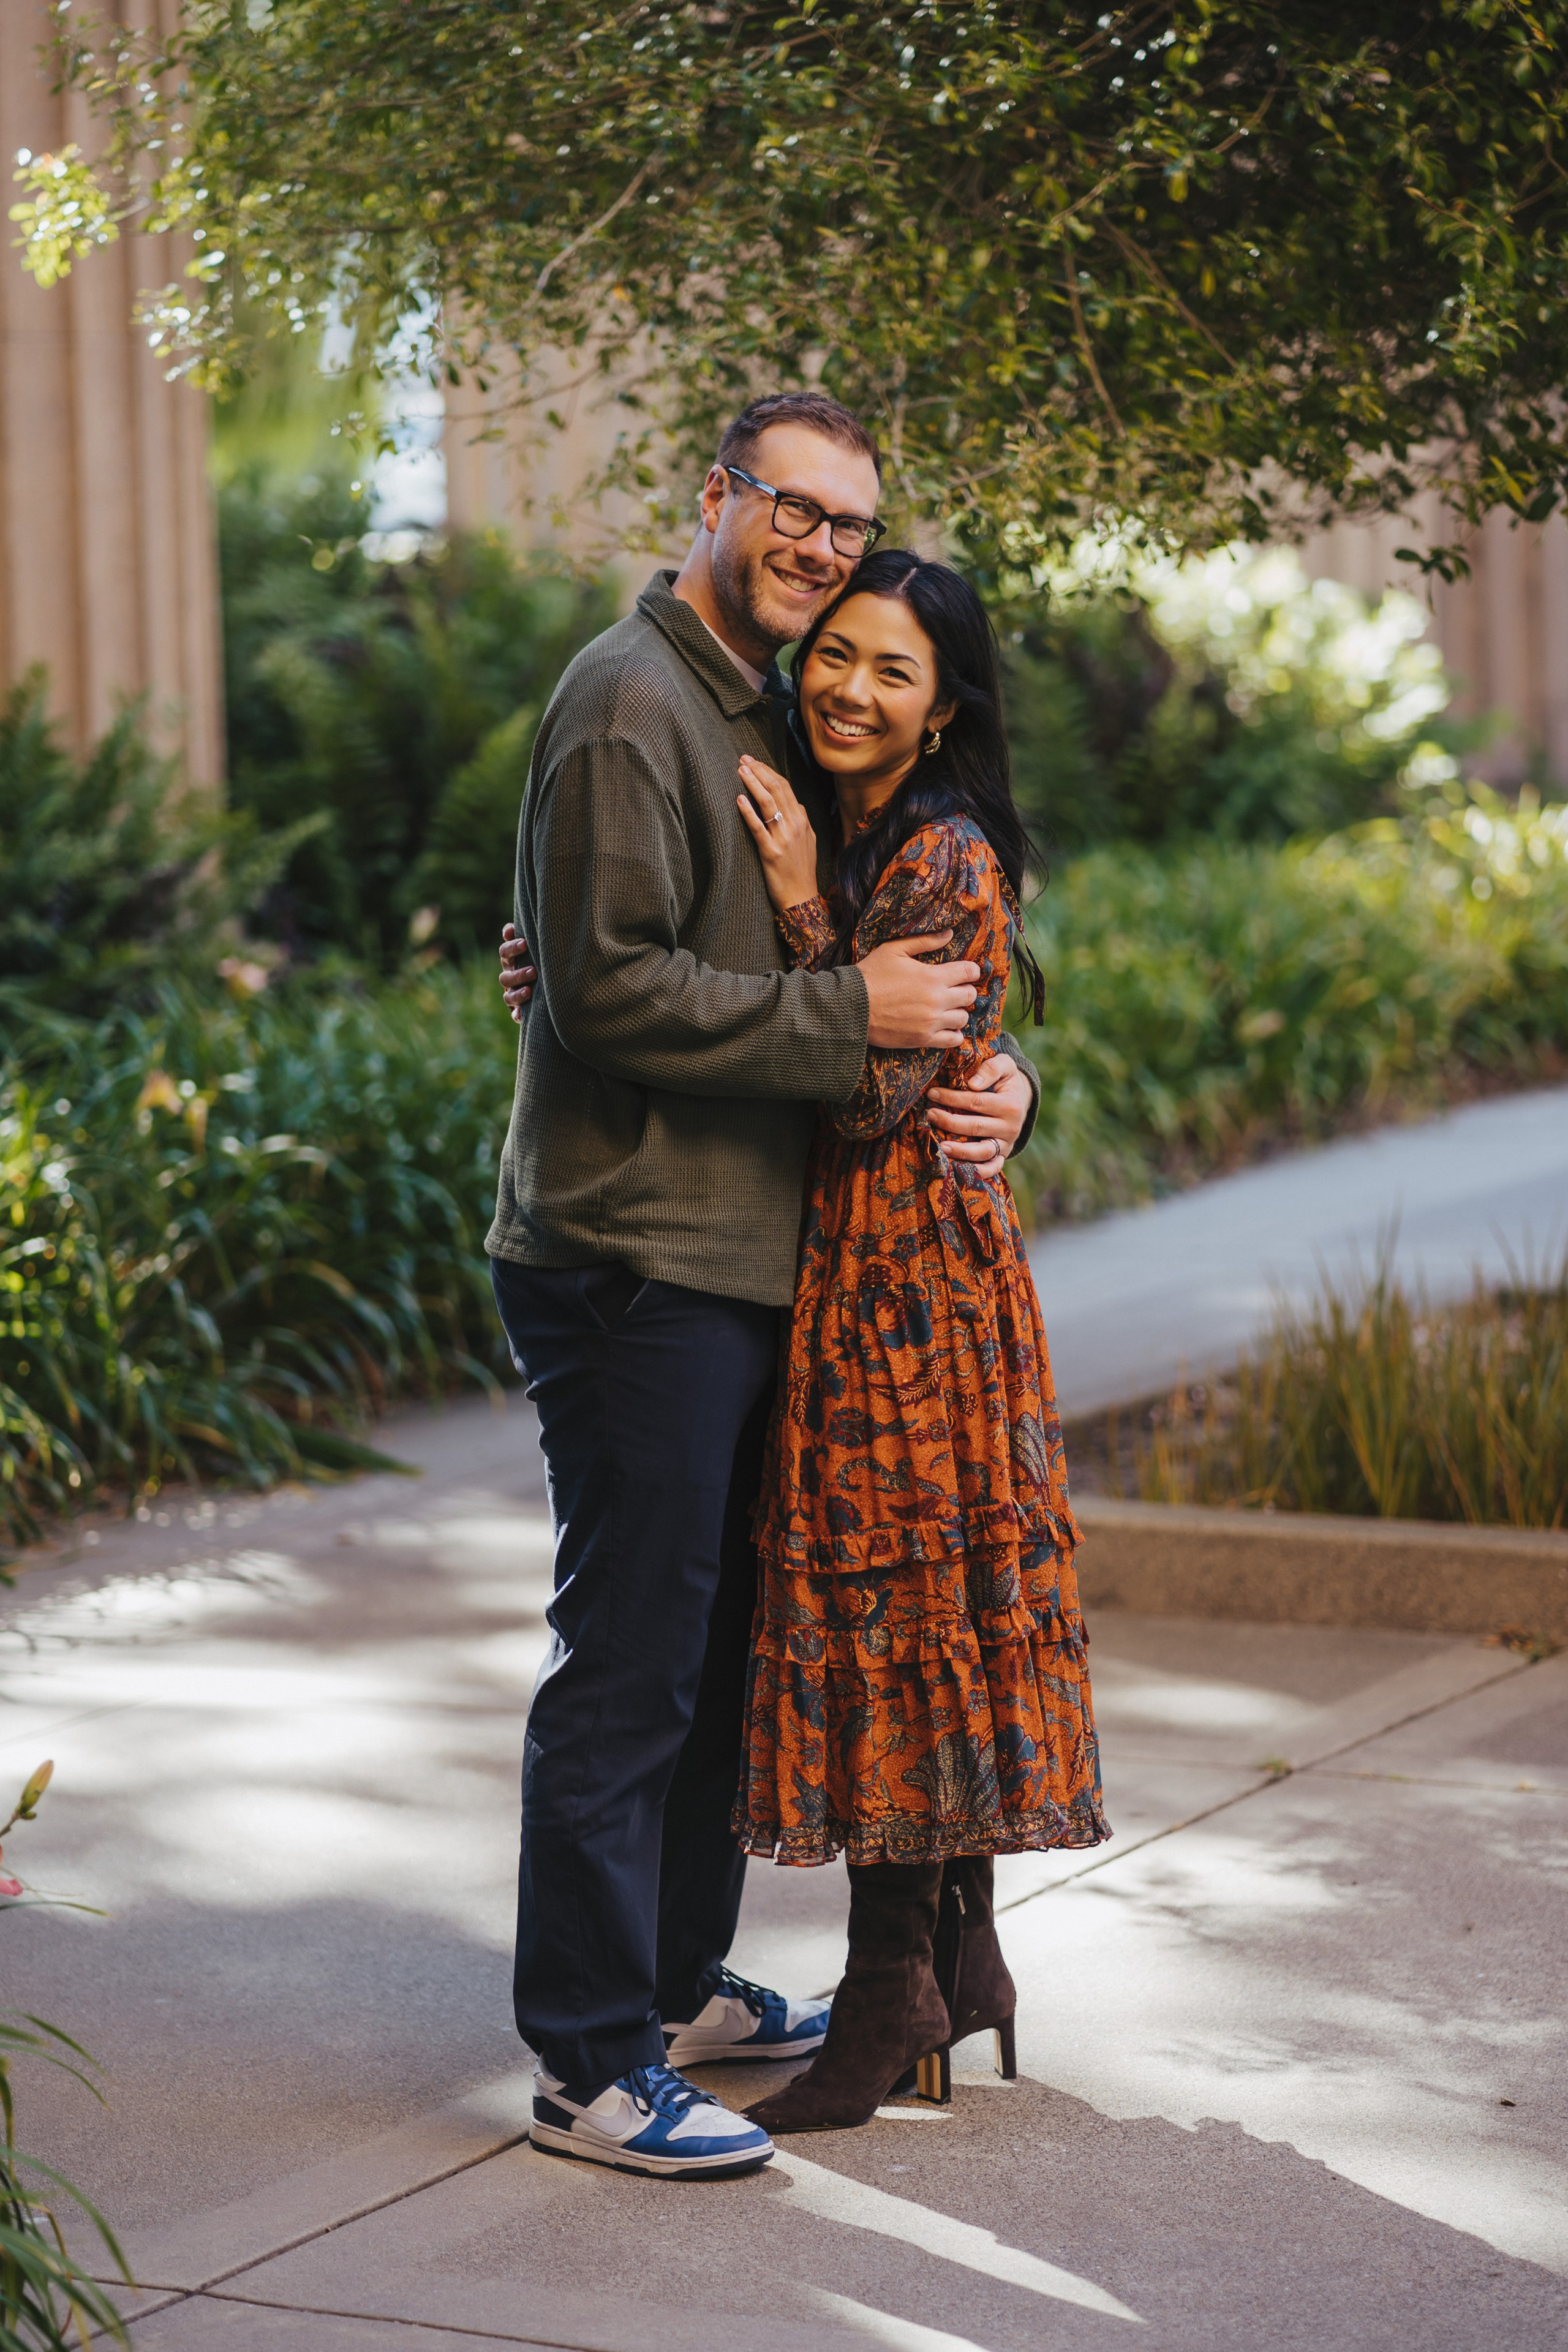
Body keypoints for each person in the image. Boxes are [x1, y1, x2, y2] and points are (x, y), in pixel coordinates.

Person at [486, 393, 1044, 2179]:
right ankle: (588, 2064)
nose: (816, 546)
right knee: (630, 1668)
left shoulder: (759, 706)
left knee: (716, 1661)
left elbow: (902, 939)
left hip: (746, 1264)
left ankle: (667, 1983)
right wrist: (843, 1011)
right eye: (791, 509)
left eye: (846, 522)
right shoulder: (629, 701)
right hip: (635, 1255)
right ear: (717, 498)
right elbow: (608, 989)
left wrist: (997, 1076)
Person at [725, 550, 1110, 2136]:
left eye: (894, 670)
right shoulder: (870, 825)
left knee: (899, 1612)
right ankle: (960, 1960)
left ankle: (889, 1996)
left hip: (915, 1302)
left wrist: (800, 898)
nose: (850, 688)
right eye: (836, 654)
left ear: (943, 708)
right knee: (926, 1601)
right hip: (884, 1279)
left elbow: (871, 1093)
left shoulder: (937, 852)